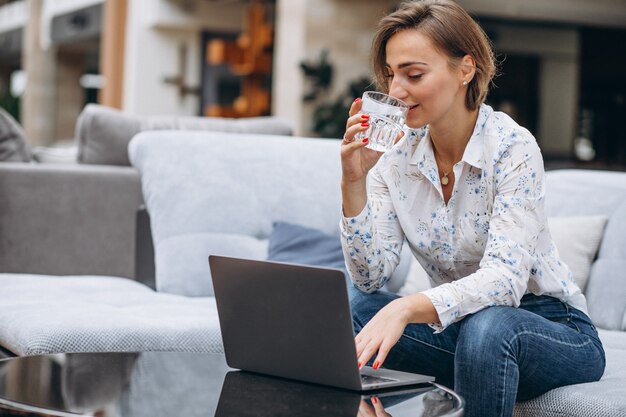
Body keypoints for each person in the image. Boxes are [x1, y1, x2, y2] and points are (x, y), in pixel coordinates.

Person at [339, 1, 605, 416]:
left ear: (466, 69)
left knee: (489, 327)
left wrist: (406, 307)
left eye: (414, 74)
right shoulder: (392, 157)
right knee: (358, 309)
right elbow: (371, 277)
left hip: (552, 328)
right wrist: (353, 183)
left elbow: (503, 283)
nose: (395, 92)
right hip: (462, 331)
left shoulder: (512, 148)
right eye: (391, 75)